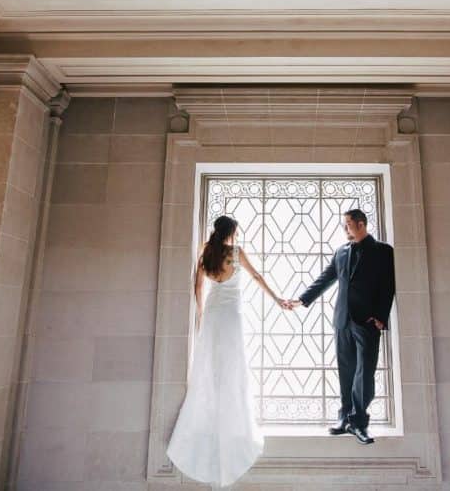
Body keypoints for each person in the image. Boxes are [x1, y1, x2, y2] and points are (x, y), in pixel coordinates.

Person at [166, 215, 287, 488]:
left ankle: (209, 424)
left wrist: (200, 314)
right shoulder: (235, 253)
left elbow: (198, 287)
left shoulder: (206, 253)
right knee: (233, 367)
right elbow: (256, 276)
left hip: (212, 314)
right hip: (232, 316)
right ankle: (233, 424)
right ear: (232, 232)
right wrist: (277, 299)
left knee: (209, 368)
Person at [282, 208, 395, 444]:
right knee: (346, 370)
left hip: (367, 322)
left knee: (364, 372)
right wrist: (302, 300)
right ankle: (345, 418)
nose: (345, 229)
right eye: (344, 225)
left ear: (361, 224)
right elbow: (326, 278)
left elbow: (388, 285)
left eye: (348, 224)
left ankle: (360, 423)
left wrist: (380, 316)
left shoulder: (383, 251)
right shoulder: (341, 251)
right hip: (342, 320)